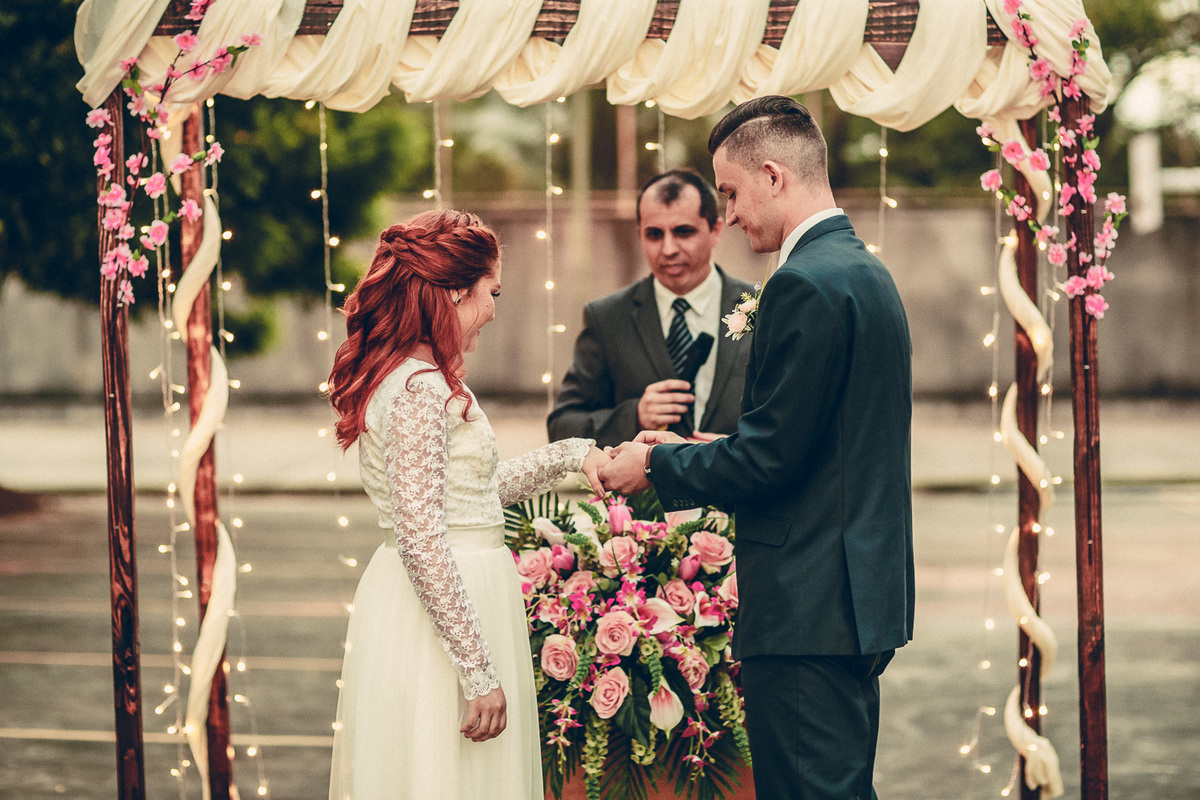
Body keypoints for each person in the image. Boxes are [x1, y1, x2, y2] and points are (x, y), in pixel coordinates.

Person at [600, 96, 915, 800]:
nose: (732, 215)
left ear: (774, 176)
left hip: (808, 604)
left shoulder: (802, 284)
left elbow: (770, 461)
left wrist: (652, 462)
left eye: (734, 193)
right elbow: (823, 440)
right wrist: (714, 444)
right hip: (855, 596)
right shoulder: (864, 273)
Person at [326, 209, 608, 800]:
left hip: (451, 598)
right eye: (491, 292)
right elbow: (423, 536)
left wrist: (570, 455)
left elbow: (468, 499)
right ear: (455, 292)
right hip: (444, 616)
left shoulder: (417, 378)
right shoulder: (418, 390)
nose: (495, 308)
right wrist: (477, 672)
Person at [547, 169, 754, 448]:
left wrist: (739, 449)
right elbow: (561, 426)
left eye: (683, 232)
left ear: (715, 231)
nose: (668, 249)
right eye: (654, 234)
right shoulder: (607, 318)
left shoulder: (761, 306)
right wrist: (634, 416)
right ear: (640, 236)